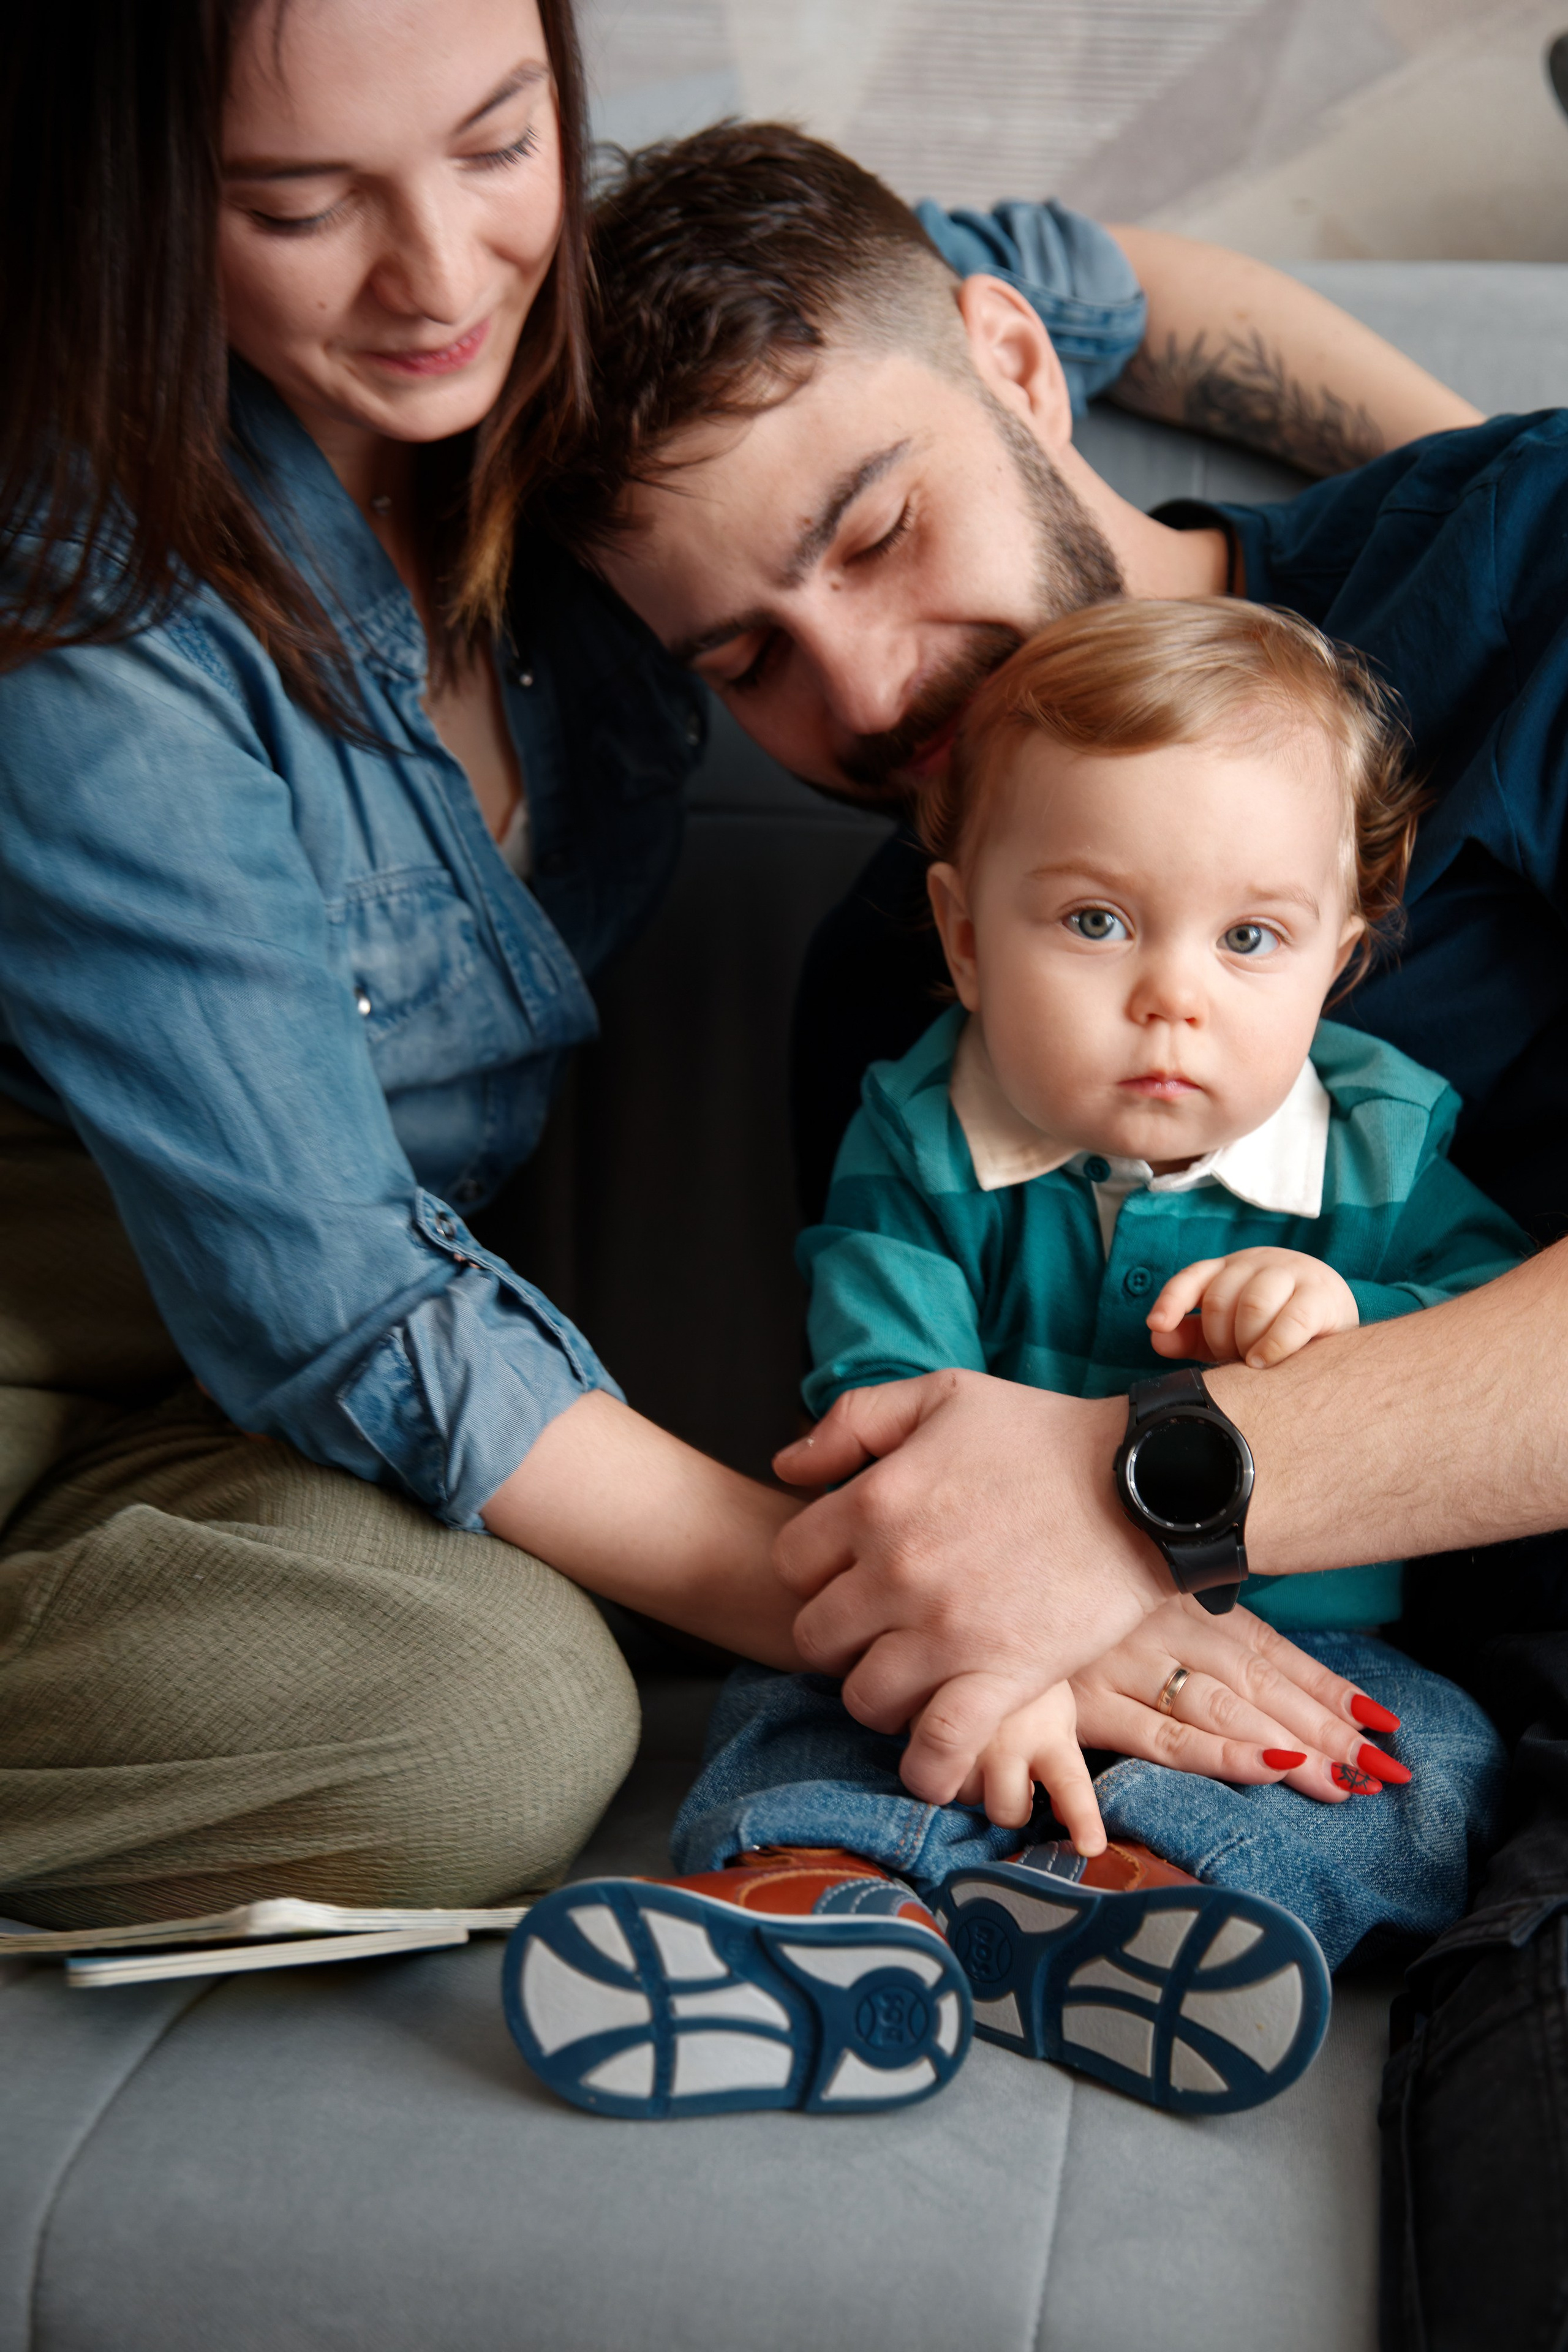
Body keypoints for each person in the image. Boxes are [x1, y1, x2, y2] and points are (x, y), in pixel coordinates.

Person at [0, 11, 1434, 1931]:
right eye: (298, 205)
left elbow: (1089, 292)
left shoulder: (595, 381)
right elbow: (347, 1307)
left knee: (487, 1710)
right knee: (505, 1733)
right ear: (144, 206)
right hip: (103, 1318)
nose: (440, 277)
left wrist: (1488, 511)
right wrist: (991, 1596)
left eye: (496, 143)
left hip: (227, 1424)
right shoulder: (94, 612)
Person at [545, 119, 1568, 2342]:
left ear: (1017, 362)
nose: (860, 697)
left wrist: (1141, 1485)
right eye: (746, 659)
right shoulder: (893, 990)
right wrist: (1012, 1608)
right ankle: (843, 1918)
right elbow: (908, 1435)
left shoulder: (1530, 560)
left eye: (876, 532)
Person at [502, 598, 1518, 2125]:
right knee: (807, 1701)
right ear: (966, 937)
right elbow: (880, 1412)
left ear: (1337, 958)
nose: (1170, 994)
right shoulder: (916, 1137)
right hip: (965, 1614)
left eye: (1248, 938)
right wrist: (1003, 1664)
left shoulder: (1383, 1139)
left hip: (1294, 1652)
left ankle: (1136, 1899)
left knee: (1422, 1761)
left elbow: (1484, 1354)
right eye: (1095, 921)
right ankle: (819, 1906)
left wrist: (1343, 1310)